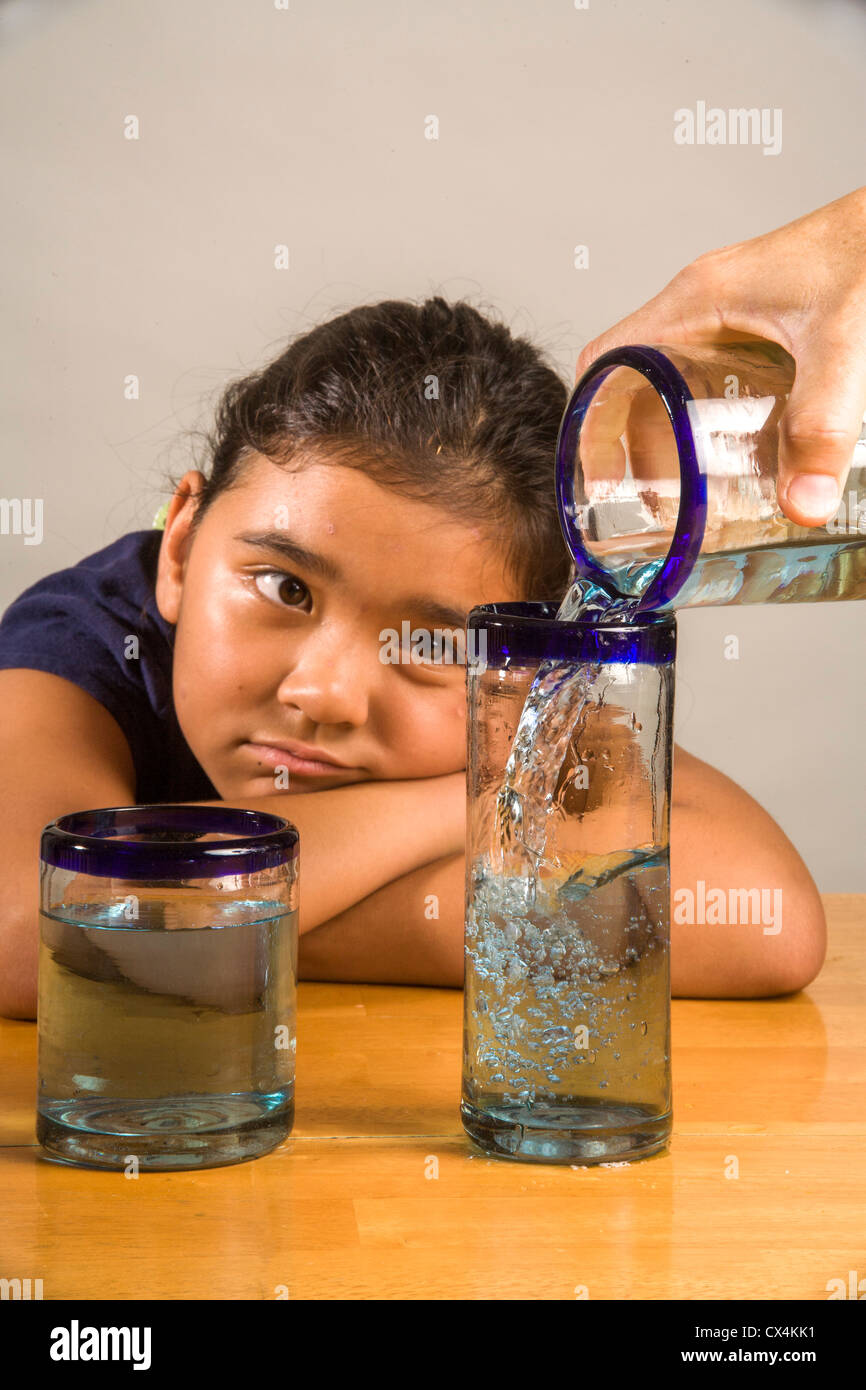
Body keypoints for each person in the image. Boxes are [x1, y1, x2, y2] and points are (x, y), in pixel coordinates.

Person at [0, 267, 841, 1019]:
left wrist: (178, 925)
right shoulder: (87, 640)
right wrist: (478, 805)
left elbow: (767, 921)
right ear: (181, 545)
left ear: (526, 664)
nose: (323, 694)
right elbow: (22, 933)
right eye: (285, 589)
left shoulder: (516, 692)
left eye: (430, 645)